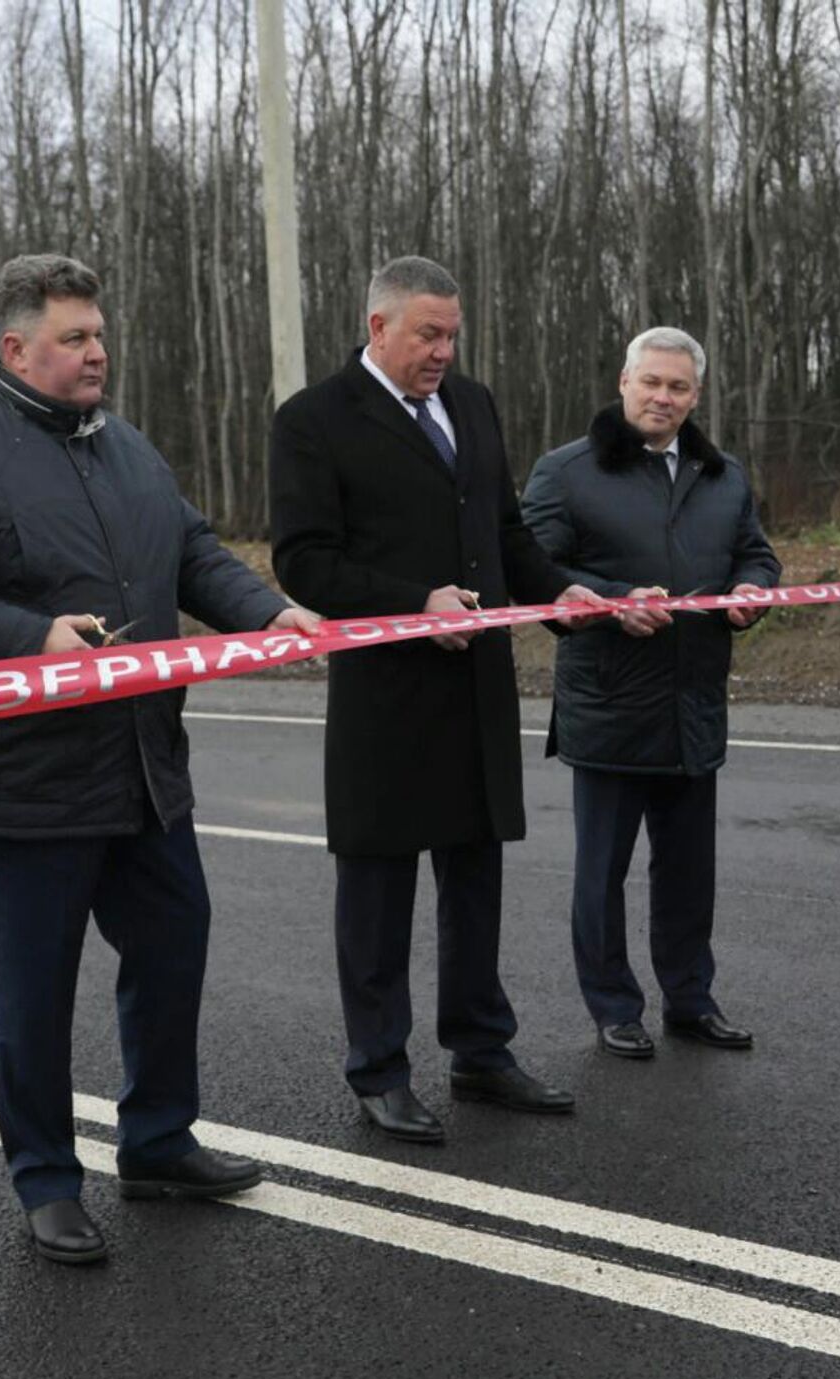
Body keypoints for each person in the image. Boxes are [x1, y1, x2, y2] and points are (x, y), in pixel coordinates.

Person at [0, 254, 318, 1265]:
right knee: (34, 992)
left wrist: (270, 613)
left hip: (145, 768)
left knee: (171, 950)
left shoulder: (126, 447)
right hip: (24, 783)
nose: (97, 352)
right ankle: (46, 1181)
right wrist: (30, 639)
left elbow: (190, 551)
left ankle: (158, 1142)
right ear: (14, 347)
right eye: (74, 338)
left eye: (100, 334)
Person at [269, 255, 602, 1144]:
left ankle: (481, 1051)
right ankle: (379, 1068)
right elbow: (303, 561)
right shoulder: (315, 421)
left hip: (477, 683)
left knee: (475, 876)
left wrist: (559, 593)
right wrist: (413, 603)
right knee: (377, 892)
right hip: (387, 695)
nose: (443, 352)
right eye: (428, 334)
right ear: (378, 328)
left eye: (452, 334)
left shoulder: (475, 405)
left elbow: (503, 532)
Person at [521, 325, 779, 1061]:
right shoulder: (567, 473)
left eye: (678, 387)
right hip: (609, 704)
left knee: (689, 873)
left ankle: (691, 1001)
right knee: (602, 872)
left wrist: (754, 588)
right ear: (624, 382)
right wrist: (609, 600)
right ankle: (614, 1005)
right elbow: (534, 570)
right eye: (651, 383)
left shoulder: (721, 474)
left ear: (695, 395)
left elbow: (755, 552)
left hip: (693, 703)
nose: (663, 397)